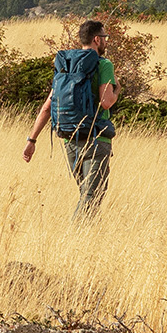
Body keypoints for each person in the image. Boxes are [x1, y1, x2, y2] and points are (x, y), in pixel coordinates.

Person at [23, 19, 118, 218]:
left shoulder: (67, 65)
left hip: (70, 139)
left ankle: (89, 238)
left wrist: (32, 140)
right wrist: (118, 88)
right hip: (96, 138)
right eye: (105, 37)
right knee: (91, 197)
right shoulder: (104, 64)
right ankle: (75, 238)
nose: (106, 41)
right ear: (96, 40)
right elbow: (106, 102)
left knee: (87, 194)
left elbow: (47, 107)